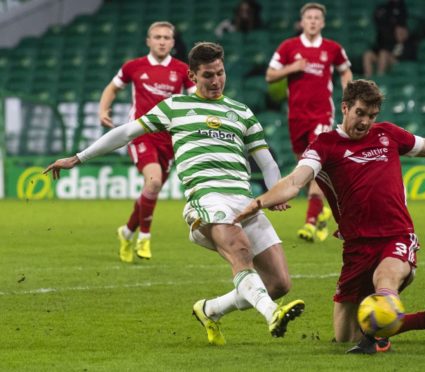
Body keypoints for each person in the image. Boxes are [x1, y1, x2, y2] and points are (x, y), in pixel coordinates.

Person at [46, 42, 305, 344]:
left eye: (220, 73)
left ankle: (210, 309)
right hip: (208, 198)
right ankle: (272, 314)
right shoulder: (175, 107)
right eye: (208, 75)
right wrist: (79, 157)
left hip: (244, 201)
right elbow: (126, 132)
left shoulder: (241, 112)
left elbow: (267, 161)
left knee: (279, 283)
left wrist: (275, 194)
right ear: (192, 76)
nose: (216, 81)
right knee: (240, 252)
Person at [234, 79, 425, 354]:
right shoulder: (325, 145)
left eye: (371, 115)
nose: (366, 121)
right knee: (346, 336)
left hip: (396, 235)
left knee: (385, 282)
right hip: (356, 246)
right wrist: (259, 202)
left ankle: (380, 338)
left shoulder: (388, 134)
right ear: (344, 108)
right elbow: (295, 181)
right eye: (360, 113)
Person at [98, 21, 196, 263]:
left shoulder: (183, 69)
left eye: (166, 37)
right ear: (148, 41)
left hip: (169, 138)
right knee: (153, 183)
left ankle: (126, 232)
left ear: (173, 43)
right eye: (157, 37)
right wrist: (103, 109)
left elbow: (196, 98)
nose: (162, 41)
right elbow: (112, 88)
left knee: (150, 190)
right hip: (141, 133)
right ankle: (144, 236)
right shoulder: (134, 67)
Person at [266, 2, 353, 243]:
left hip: (322, 115)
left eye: (317, 18)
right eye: (309, 18)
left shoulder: (332, 48)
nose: (313, 21)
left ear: (323, 22)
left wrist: (348, 91)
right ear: (302, 22)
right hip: (296, 117)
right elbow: (270, 74)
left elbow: (345, 70)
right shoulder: (289, 47)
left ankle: (310, 221)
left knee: (314, 165)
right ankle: (322, 209)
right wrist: (292, 67)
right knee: (305, 170)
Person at [363, 0, 408, 77]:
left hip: (396, 60)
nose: (399, 34)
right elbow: (378, 48)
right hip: (383, 57)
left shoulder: (407, 43)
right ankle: (368, 79)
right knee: (368, 55)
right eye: (398, 31)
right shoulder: (387, 39)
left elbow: (405, 57)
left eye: (401, 32)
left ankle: (380, 78)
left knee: (383, 54)